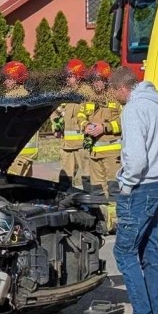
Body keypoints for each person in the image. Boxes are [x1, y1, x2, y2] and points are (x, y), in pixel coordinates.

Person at [109, 66, 158, 314]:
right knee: (150, 253)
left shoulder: (133, 110)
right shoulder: (157, 106)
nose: (114, 98)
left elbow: (136, 159)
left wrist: (125, 184)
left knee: (124, 251)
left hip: (140, 187)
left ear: (122, 88)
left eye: (114, 93)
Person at [83, 60, 123, 227]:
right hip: (94, 153)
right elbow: (80, 116)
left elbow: (123, 121)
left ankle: (115, 223)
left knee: (114, 189)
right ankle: (102, 222)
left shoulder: (116, 96)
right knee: (97, 190)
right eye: (93, 80)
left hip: (112, 153)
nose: (96, 84)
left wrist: (103, 128)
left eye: (98, 80)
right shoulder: (89, 97)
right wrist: (85, 127)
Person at [1, 61, 37, 176]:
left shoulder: (12, 97)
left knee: (12, 188)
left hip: (16, 153)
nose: (5, 81)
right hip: (27, 155)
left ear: (17, 79)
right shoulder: (28, 95)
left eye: (8, 78)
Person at [56, 59, 89, 188]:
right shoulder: (64, 93)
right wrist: (56, 126)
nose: (68, 79)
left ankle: (93, 201)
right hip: (66, 146)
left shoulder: (87, 93)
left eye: (70, 76)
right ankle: (64, 200)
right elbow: (55, 111)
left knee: (88, 175)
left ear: (79, 77)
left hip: (83, 145)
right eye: (67, 76)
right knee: (65, 177)